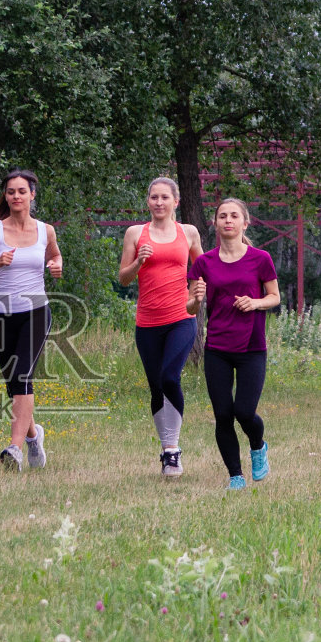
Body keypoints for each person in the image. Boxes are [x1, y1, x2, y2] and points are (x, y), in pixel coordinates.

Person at [0, 169, 63, 472]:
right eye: (10, 192)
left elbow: (55, 256)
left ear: (33, 194)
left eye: (21, 191)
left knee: (22, 377)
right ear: (5, 196)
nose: (16, 196)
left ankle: (14, 449)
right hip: (0, 315)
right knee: (15, 385)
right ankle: (33, 435)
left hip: (35, 311)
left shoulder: (46, 231)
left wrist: (55, 265)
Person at [186, 197, 280, 490]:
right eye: (222, 216)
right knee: (223, 414)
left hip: (252, 347)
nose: (228, 220)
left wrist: (254, 302)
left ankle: (258, 445)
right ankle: (236, 476)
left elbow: (274, 297)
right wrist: (197, 299)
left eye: (234, 216)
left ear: (244, 223)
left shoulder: (260, 258)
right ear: (214, 223)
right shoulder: (204, 262)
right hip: (217, 348)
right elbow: (190, 307)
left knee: (243, 411)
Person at [118, 177, 203, 478]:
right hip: (148, 321)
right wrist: (139, 262)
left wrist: (196, 296)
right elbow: (124, 279)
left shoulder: (188, 232)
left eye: (164, 197)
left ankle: (173, 450)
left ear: (175, 202)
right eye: (153, 197)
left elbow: (200, 271)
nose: (158, 202)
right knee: (156, 386)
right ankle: (167, 450)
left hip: (181, 317)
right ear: (148, 201)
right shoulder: (135, 233)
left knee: (169, 376)